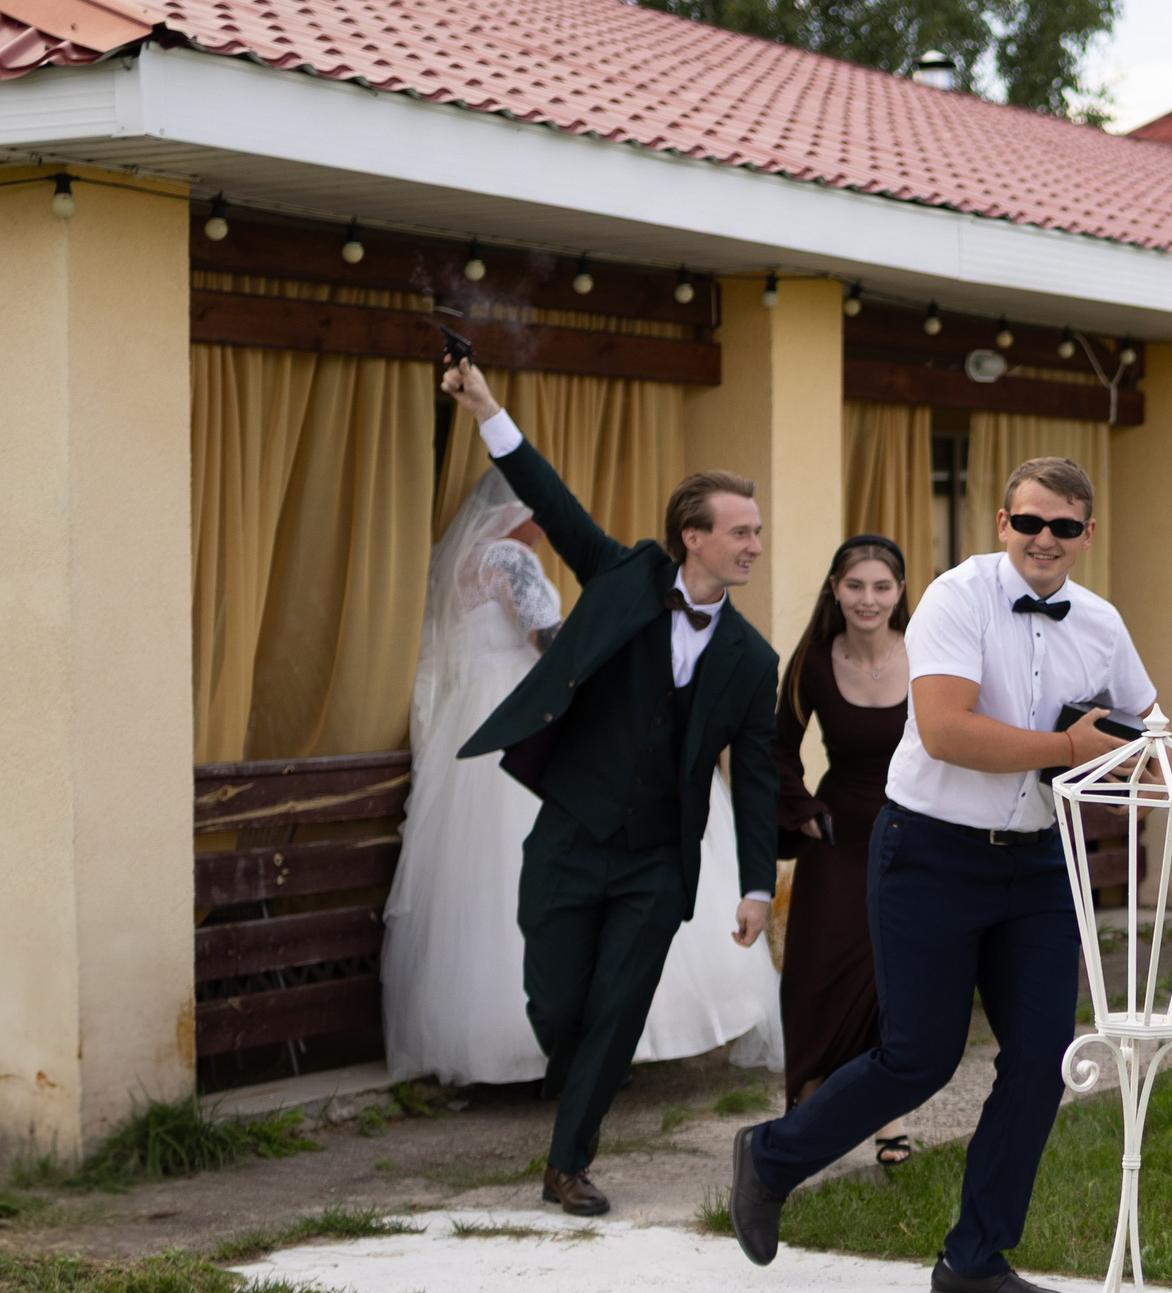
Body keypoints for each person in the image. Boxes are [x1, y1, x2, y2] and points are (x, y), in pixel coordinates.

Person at [729, 458, 1151, 1293]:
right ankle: (772, 1157)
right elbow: (948, 729)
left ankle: (975, 1257)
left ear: (1086, 536)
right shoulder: (959, 597)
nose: (1045, 540)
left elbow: (1145, 720)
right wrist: (1074, 748)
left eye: (1064, 527)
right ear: (1002, 522)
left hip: (1035, 861)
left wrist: (1137, 761)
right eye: (1029, 522)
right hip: (929, 849)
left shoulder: (1100, 622)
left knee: (1042, 1061)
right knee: (919, 1056)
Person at [440, 358, 781, 1217]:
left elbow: (759, 773)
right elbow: (550, 502)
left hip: (657, 862)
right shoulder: (623, 573)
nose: (753, 544)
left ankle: (567, 1163)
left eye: (757, 531)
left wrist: (753, 885)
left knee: (620, 1006)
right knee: (557, 1000)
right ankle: (580, 1066)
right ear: (693, 536)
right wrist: (487, 409)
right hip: (570, 833)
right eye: (740, 531)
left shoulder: (752, 661)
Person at [381, 471, 781, 1091]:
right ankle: (610, 1041)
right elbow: (551, 640)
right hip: (541, 722)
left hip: (477, 718)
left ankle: (511, 1045)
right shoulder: (512, 558)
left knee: (483, 889)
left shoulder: (450, 564)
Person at [773, 534, 912, 1158]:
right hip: (840, 834)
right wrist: (803, 813)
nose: (868, 598)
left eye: (882, 586)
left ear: (900, 593)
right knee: (816, 969)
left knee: (895, 979)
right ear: (835, 589)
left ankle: (887, 1120)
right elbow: (775, 748)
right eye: (855, 585)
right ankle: (806, 1103)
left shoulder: (929, 654)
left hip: (915, 834)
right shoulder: (811, 660)